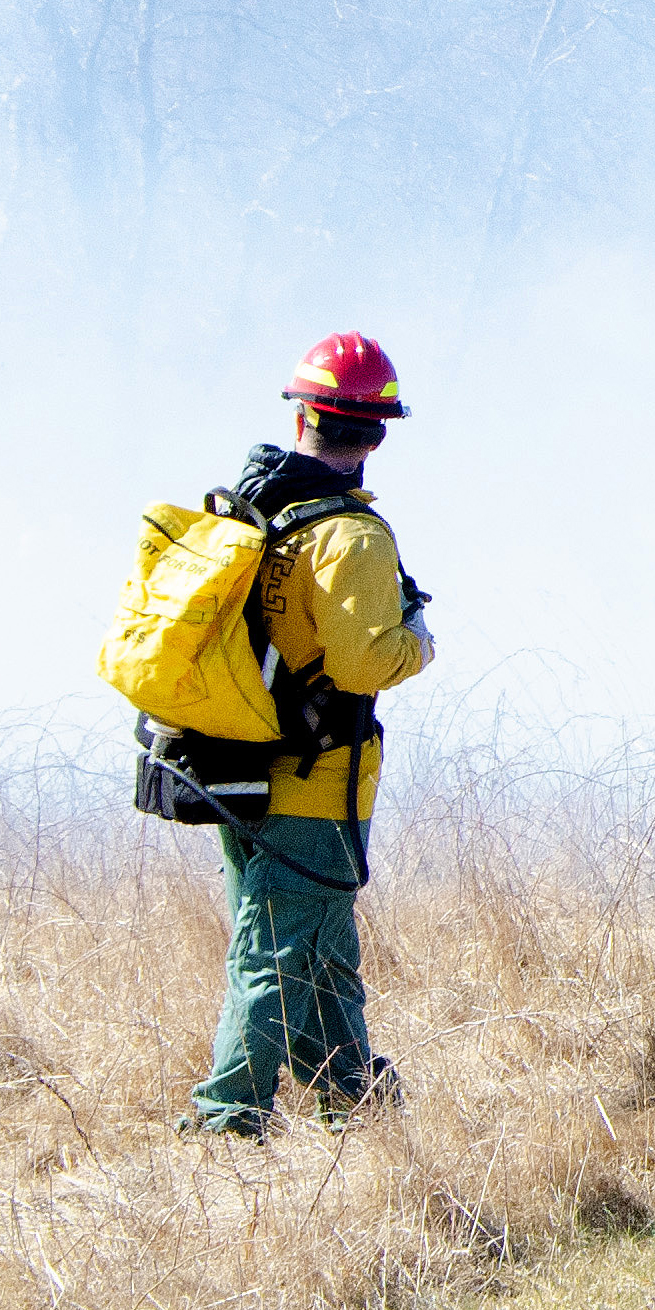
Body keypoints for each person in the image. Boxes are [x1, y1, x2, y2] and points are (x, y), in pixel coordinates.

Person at [184, 333, 438, 1137]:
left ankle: (351, 1096)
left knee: (320, 953)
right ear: (375, 435)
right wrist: (420, 640)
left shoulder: (264, 518)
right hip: (317, 788)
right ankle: (227, 1120)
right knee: (273, 957)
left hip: (241, 771)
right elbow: (366, 662)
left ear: (304, 419)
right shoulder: (354, 537)